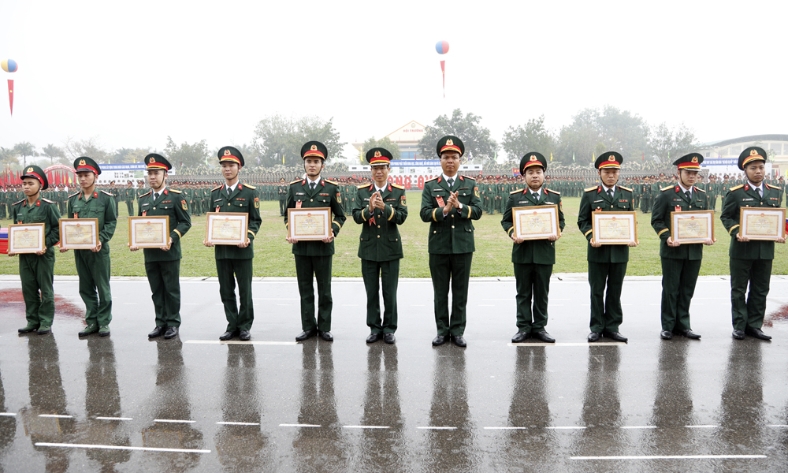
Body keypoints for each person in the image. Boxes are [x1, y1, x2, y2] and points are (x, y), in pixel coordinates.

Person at [419, 136, 483, 348]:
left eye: (454, 157)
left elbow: (478, 211)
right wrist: (444, 210)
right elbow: (424, 213)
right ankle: (441, 330)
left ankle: (457, 331)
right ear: (440, 160)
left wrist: (460, 207)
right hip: (438, 246)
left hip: (463, 246)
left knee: (460, 291)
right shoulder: (431, 186)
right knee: (440, 291)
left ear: (459, 160)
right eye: (446, 157)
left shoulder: (469, 184)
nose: (450, 161)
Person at [720, 147, 786, 341]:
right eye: (753, 168)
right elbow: (726, 217)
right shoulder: (736, 193)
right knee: (739, 289)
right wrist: (736, 231)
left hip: (765, 250)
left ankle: (755, 325)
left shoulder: (775, 192)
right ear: (745, 171)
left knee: (760, 289)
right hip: (742, 249)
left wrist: (780, 232)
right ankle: (739, 325)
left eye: (761, 167)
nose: (758, 171)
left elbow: (777, 219)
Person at [285, 141, 347, 342]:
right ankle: (308, 327)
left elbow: (340, 216)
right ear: (304, 164)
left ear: (323, 165)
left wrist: (332, 230)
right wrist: (291, 230)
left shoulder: (331, 189)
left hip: (323, 247)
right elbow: (287, 215)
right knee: (305, 290)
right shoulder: (294, 188)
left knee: (324, 290)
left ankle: (325, 327)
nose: (312, 165)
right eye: (309, 161)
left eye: (316, 161)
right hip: (301, 248)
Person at [501, 152, 565, 344]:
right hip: (522, 253)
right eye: (530, 172)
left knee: (542, 292)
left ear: (544, 175)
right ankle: (523, 327)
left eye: (538, 171)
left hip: (545, 253)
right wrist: (513, 232)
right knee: (523, 292)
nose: (535, 175)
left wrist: (557, 232)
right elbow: (506, 221)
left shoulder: (553, 198)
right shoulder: (515, 198)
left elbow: (560, 221)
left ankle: (539, 327)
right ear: (524, 176)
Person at [651, 153, 714, 341]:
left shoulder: (702, 195)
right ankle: (668, 326)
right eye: (688, 172)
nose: (692, 176)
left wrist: (708, 235)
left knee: (687, 288)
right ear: (679, 172)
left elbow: (704, 221)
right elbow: (656, 220)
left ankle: (684, 325)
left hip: (694, 251)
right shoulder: (667, 194)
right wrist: (667, 236)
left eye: (695, 173)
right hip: (672, 249)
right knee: (671, 289)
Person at [577, 152, 637, 343]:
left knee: (615, 290)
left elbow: (630, 220)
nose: (611, 175)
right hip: (598, 251)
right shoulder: (590, 195)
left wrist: (632, 237)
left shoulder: (627, 194)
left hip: (619, 252)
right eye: (607, 172)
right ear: (599, 173)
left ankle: (612, 326)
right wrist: (591, 236)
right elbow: (582, 221)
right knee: (596, 290)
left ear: (618, 173)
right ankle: (596, 327)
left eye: (614, 172)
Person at [203, 147, 262, 341]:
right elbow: (212, 220)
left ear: (239, 167)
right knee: (226, 290)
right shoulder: (215, 194)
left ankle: (244, 325)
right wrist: (209, 237)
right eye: (224, 166)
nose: (227, 169)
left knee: (245, 290)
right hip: (222, 252)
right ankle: (231, 324)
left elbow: (255, 220)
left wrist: (248, 236)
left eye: (231, 165)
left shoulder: (249, 192)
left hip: (242, 251)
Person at [131, 154, 192, 340]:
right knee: (156, 290)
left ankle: (173, 323)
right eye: (149, 173)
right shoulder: (143, 199)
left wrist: (172, 238)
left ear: (165, 175)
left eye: (156, 173)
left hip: (170, 253)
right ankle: (160, 322)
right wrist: (135, 240)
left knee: (171, 290)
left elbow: (185, 222)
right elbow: (140, 225)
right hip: (150, 254)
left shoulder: (175, 197)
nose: (152, 177)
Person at [352, 148, 408, 344]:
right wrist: (368, 209)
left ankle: (390, 328)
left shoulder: (398, 191)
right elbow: (356, 217)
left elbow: (402, 217)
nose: (378, 172)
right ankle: (375, 328)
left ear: (388, 169)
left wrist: (386, 208)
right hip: (368, 248)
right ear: (371, 170)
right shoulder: (362, 192)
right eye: (375, 168)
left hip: (390, 248)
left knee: (389, 291)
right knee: (371, 291)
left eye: (382, 167)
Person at [62, 157, 117, 337]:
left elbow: (110, 223)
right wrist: (66, 242)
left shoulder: (106, 199)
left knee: (102, 287)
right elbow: (71, 225)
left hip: (99, 251)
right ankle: (91, 321)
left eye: (87, 175)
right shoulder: (73, 201)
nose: (83, 179)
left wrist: (101, 239)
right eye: (80, 176)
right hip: (81, 252)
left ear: (95, 176)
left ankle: (104, 323)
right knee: (85, 287)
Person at [11, 165, 61, 335]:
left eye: (30, 183)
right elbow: (16, 230)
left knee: (45, 289)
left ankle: (45, 321)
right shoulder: (18, 207)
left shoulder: (48, 206)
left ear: (40, 185)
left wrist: (45, 244)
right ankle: (32, 320)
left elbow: (58, 229)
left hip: (43, 255)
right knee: (28, 287)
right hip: (25, 256)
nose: (26, 186)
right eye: (24, 183)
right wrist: (13, 245)